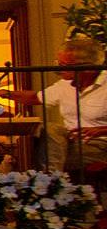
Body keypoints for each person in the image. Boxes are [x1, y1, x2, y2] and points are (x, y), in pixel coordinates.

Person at [8, 41, 107, 171]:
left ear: (88, 67)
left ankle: (49, 180)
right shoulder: (64, 85)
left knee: (32, 156)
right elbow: (35, 97)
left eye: (64, 65)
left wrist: (102, 129)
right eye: (58, 63)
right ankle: (52, 178)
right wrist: (5, 94)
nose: (59, 70)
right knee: (50, 128)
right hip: (70, 141)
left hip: (100, 144)